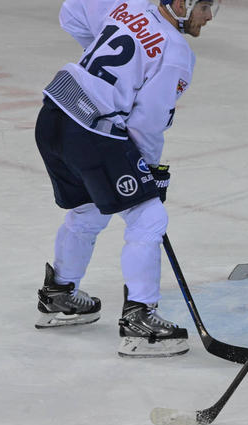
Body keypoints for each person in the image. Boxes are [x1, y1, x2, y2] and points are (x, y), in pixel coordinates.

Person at [34, 0, 219, 357]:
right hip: (89, 132)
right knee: (148, 217)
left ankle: (60, 293)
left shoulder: (128, 6)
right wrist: (147, 170)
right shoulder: (176, 52)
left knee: (89, 210)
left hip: (53, 113)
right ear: (181, 4)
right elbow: (145, 123)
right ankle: (140, 319)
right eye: (206, 6)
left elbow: (71, 11)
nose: (209, 17)